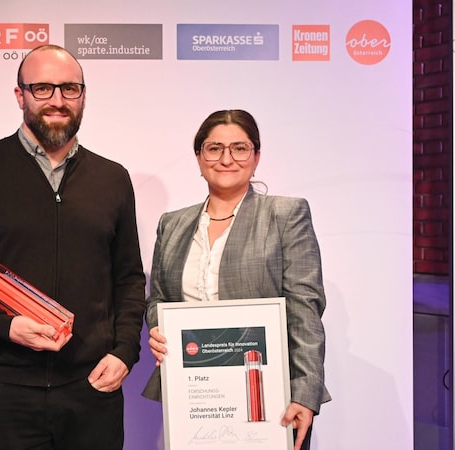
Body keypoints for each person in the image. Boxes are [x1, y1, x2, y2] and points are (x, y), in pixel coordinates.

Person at [0, 44, 146, 450]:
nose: (57, 100)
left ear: (83, 95)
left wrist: (126, 351)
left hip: (93, 387)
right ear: (19, 95)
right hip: (6, 392)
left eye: (69, 89)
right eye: (42, 88)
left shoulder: (112, 178)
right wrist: (4, 326)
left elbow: (128, 277)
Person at [141, 109, 331, 450]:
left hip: (268, 395)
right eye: (214, 148)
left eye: (240, 148)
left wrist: (305, 393)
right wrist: (159, 328)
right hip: (196, 398)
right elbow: (158, 300)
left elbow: (305, 310)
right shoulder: (172, 224)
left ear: (256, 156)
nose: (226, 159)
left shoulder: (284, 214)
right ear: (199, 157)